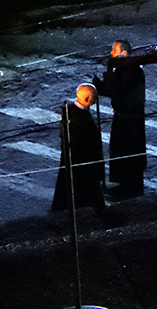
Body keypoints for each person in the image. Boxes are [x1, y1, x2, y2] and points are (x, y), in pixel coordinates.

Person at [95, 40, 146, 200]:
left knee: (128, 152)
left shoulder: (131, 70)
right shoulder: (125, 69)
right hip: (123, 116)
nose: (111, 54)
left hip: (130, 120)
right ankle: (124, 184)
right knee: (120, 151)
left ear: (123, 53)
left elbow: (115, 89)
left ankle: (130, 188)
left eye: (114, 51)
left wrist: (109, 71)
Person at [52, 83, 106, 212]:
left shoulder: (71, 113)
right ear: (88, 99)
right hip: (83, 161)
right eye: (95, 97)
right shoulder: (81, 119)